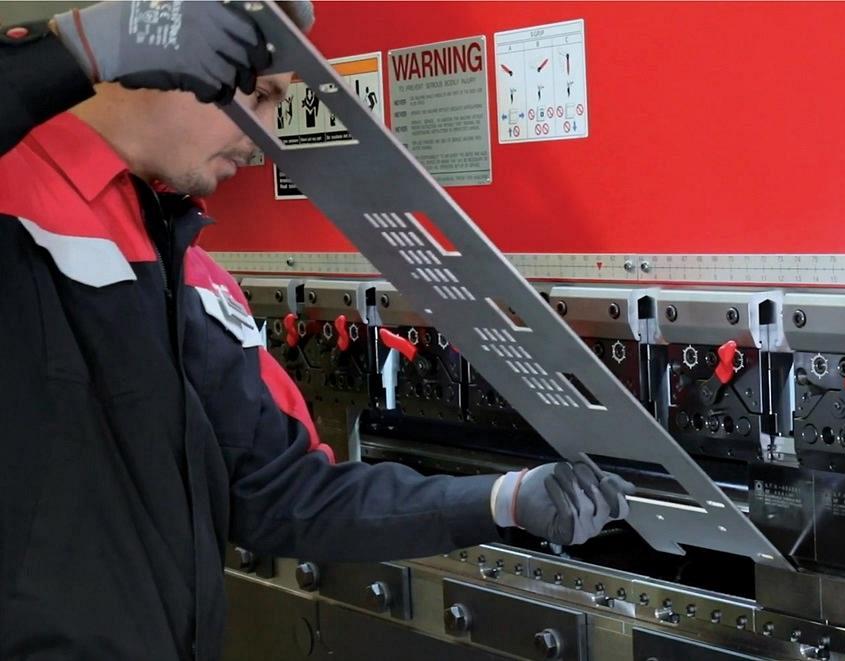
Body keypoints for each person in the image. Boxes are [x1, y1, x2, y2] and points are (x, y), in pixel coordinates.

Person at [0, 2, 635, 660]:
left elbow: (280, 492)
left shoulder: (192, 277)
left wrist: (503, 500)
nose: (264, 136)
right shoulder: (14, 200)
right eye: (259, 94)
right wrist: (77, 50)